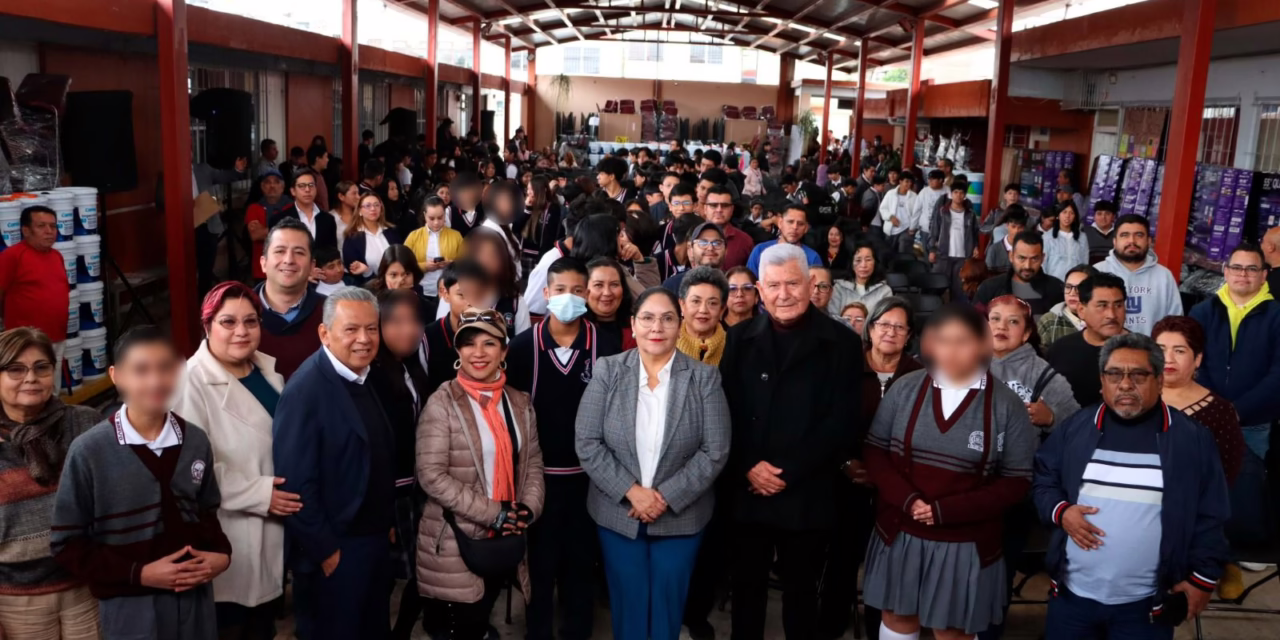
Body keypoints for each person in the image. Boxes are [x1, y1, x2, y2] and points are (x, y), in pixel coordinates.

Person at [1033, 333, 1230, 640]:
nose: (1125, 385)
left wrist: (1202, 579)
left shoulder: (1191, 440)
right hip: (1072, 600)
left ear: (1160, 381)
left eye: (1138, 375)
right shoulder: (1076, 428)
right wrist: (1062, 512)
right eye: (1114, 375)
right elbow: (1044, 477)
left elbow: (1211, 514)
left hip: (1146, 606)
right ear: (1102, 381)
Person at [863, 304, 1037, 640]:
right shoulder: (906, 389)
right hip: (901, 529)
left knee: (952, 630)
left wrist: (946, 511)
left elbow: (1016, 481)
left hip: (965, 542)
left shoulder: (1007, 406)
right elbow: (875, 450)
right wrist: (909, 500)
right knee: (898, 617)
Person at [51, 327, 231, 640]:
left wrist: (222, 554)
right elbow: (67, 543)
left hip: (194, 598)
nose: (155, 381)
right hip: (130, 604)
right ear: (116, 376)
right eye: (141, 370)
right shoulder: (90, 450)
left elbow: (207, 514)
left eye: (166, 368)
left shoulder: (195, 441)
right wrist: (140, 573)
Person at [720, 243, 861, 639]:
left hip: (808, 489)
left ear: (812, 284)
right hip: (749, 487)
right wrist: (748, 465)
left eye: (793, 284)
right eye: (773, 285)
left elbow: (842, 421)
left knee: (801, 596)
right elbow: (725, 410)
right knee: (746, 592)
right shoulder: (740, 338)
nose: (784, 294)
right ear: (759, 291)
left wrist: (790, 472)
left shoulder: (843, 343)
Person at [574, 287, 731, 640]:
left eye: (667, 318)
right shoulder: (608, 371)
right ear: (633, 324)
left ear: (680, 326)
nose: (656, 327)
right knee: (628, 602)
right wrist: (632, 493)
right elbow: (587, 442)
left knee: (667, 603)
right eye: (647, 318)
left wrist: (663, 496)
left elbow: (716, 449)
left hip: (681, 516)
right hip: (618, 514)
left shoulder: (703, 378)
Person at [272, 287, 396, 640]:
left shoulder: (364, 375)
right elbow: (295, 483)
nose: (364, 339)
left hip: (370, 541)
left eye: (371, 329)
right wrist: (326, 551)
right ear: (324, 334)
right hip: (336, 550)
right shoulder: (306, 390)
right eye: (351, 329)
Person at [171, 283, 292, 640]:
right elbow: (188, 467)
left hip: (274, 527)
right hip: (231, 529)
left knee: (263, 623)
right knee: (234, 624)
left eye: (250, 321)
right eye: (228, 322)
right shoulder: (189, 383)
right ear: (207, 326)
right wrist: (259, 494)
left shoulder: (266, 372)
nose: (241, 331)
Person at [415, 308, 545, 640]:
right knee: (459, 624)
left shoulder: (519, 402)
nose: (478, 353)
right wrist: (494, 513)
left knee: (482, 610)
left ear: (504, 352)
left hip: (503, 535)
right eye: (469, 344)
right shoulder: (442, 402)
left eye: (489, 344)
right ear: (458, 352)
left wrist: (526, 510)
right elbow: (431, 475)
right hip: (456, 537)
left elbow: (531, 465)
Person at [507, 258, 619, 640]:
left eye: (577, 290)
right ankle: (537, 631)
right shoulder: (523, 348)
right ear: (545, 294)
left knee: (581, 563)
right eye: (560, 291)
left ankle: (577, 630)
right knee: (540, 563)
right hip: (537, 480)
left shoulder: (606, 346)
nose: (568, 298)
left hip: (591, 479)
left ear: (587, 295)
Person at [820, 297, 920, 639]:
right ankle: (832, 622)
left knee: (887, 562)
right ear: (870, 329)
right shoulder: (845, 367)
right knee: (841, 559)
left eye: (899, 326)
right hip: (844, 478)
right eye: (883, 324)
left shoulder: (919, 376)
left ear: (909, 335)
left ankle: (882, 627)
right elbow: (824, 421)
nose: (890, 332)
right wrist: (845, 462)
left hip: (896, 487)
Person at [0, 328, 102, 639]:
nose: (30, 377)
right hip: (16, 602)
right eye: (15, 369)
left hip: (86, 590)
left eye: (41, 367)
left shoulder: (87, 424)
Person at [367, 290, 432, 640]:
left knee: (423, 572)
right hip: (390, 496)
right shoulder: (372, 374)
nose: (407, 330)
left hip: (416, 488)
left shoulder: (411, 366)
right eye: (395, 322)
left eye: (414, 321)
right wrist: (385, 511)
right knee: (383, 575)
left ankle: (401, 631)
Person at [1152, 316, 1243, 486]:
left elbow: (1226, 474)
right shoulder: (1132, 399)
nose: (1168, 358)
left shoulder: (1220, 411)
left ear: (1198, 359)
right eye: (1161, 350)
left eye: (1179, 351)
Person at [0, 206, 70, 390]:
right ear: (26, 230)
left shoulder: (57, 256)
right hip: (26, 342)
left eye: (53, 226)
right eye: (41, 226)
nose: (49, 231)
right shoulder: (12, 256)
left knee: (52, 389)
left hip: (56, 336)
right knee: (28, 390)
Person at [987, 295, 1081, 433]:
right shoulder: (965, 363)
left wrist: (1051, 418)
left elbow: (1077, 422)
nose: (1001, 326)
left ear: (1026, 333)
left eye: (1013, 321)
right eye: (995, 318)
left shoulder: (1042, 374)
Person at [255, 218, 326, 380]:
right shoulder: (238, 313)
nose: (288, 260)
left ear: (311, 266)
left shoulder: (332, 312)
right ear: (263, 263)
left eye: (299, 252)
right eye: (280, 251)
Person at [1046, 273, 1128, 407]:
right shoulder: (1061, 350)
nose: (1112, 315)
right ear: (1081, 310)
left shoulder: (1141, 351)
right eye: (1102, 306)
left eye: (1118, 305)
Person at [1094, 214, 1181, 335]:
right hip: (1104, 351)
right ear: (1114, 241)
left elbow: (1175, 323)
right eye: (1125, 235)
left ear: (1149, 241)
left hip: (1150, 351)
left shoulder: (1164, 276)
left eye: (1139, 235)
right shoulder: (1097, 272)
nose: (1132, 241)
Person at [424, 260, 494, 395]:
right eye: (462, 295)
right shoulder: (428, 338)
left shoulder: (494, 334)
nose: (470, 302)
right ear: (444, 293)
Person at [973, 231, 1065, 319]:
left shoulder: (1057, 289)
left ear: (1042, 258)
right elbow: (975, 326)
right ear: (1011, 256)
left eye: (1034, 259)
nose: (1027, 266)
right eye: (1022, 258)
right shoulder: (990, 288)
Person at [461, 229, 531, 334]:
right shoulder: (458, 293)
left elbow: (524, 345)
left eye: (493, 255)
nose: (487, 262)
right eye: (480, 255)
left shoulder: (516, 303)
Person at [927, 180, 981, 302]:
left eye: (961, 192)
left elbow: (975, 232)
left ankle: (956, 314)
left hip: (962, 256)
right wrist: (932, 249)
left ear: (965, 195)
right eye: (956, 192)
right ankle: (932, 310)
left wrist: (976, 247)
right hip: (943, 254)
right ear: (951, 194)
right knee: (937, 285)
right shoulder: (942, 212)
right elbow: (934, 231)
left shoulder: (970, 214)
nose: (958, 195)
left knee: (959, 289)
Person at [406, 196, 464, 308]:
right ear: (424, 216)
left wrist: (451, 264)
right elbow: (404, 265)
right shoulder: (413, 237)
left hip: (449, 291)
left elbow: (465, 263)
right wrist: (424, 266)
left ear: (445, 215)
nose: (436, 223)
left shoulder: (456, 236)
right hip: (422, 290)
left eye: (440, 218)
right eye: (431, 218)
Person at [269, 169, 339, 252]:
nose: (307, 190)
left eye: (311, 185)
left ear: (316, 189)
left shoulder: (328, 219)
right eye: (302, 186)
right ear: (293, 191)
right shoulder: (280, 220)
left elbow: (332, 253)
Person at [744, 204, 823, 276]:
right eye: (790, 222)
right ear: (780, 223)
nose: (795, 227)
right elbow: (749, 285)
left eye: (800, 224)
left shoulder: (813, 257)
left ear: (806, 228)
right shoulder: (759, 250)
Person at [343, 192, 404, 282]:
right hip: (369, 288)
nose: (373, 209)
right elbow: (352, 270)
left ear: (381, 209)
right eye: (368, 205)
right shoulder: (352, 238)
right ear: (360, 211)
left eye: (376, 205)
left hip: (397, 284)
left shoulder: (392, 231)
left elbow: (402, 257)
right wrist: (366, 272)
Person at [245, 168, 293, 280]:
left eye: (276, 182)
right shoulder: (254, 208)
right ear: (262, 187)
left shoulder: (292, 207)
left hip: (288, 267)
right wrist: (283, 229)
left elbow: (293, 234)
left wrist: (265, 230)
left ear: (283, 187)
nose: (272, 186)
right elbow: (255, 235)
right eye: (267, 182)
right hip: (262, 270)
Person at [675, 267, 729, 366]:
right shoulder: (666, 342)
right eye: (696, 301)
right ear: (682, 305)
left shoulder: (733, 347)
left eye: (712, 303)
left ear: (722, 309)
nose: (703, 310)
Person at [1037, 265, 1098, 348]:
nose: (1072, 293)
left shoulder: (1103, 320)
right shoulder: (1049, 321)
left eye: (1079, 288)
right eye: (1068, 287)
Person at [479, 181, 526, 280]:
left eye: (510, 200)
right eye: (504, 201)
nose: (509, 205)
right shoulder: (488, 229)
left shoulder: (506, 224)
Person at [662, 221, 725, 294]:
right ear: (690, 250)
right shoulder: (672, 285)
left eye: (717, 243)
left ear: (726, 250)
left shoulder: (734, 285)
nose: (710, 248)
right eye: (702, 242)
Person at [702, 185, 753, 270]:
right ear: (705, 208)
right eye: (713, 205)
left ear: (732, 209)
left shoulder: (745, 241)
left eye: (725, 205)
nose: (719, 210)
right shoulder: (692, 237)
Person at [1043, 201, 1089, 281]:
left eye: (1071, 213)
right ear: (1058, 215)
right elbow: (1043, 264)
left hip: (1074, 283)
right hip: (1052, 282)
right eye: (1064, 212)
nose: (1067, 216)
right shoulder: (1047, 237)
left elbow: (1084, 262)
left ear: (1075, 217)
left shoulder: (1082, 237)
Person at [880, 172, 918, 252]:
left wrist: (913, 227)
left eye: (910, 182)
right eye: (907, 181)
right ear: (900, 181)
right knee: (889, 253)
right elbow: (883, 209)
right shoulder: (890, 194)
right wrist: (890, 217)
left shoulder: (914, 196)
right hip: (890, 229)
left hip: (906, 229)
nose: (909, 184)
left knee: (903, 253)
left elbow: (917, 214)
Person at [984, 205, 1028, 275]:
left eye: (1020, 227)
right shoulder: (994, 249)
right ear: (1007, 225)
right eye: (1013, 226)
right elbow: (987, 276)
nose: (1016, 231)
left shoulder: (1027, 249)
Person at [329, 180, 360, 253]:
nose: (358, 197)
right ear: (341, 196)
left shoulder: (361, 215)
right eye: (354, 193)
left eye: (358, 193)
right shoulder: (330, 217)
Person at [306, 144, 332, 213]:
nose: (327, 160)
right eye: (326, 157)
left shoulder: (319, 175)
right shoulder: (308, 177)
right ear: (318, 159)